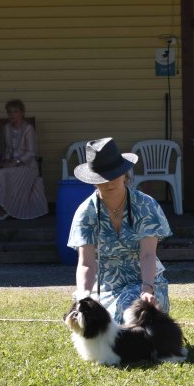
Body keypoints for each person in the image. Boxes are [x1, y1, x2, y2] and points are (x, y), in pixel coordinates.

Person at [68, 137, 173, 324]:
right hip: (105, 289)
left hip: (146, 283)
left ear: (125, 174)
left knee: (129, 310)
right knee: (91, 319)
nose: (108, 182)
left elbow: (148, 255)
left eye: (113, 175)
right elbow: (86, 264)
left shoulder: (146, 205)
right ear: (93, 181)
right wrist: (84, 295)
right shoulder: (85, 213)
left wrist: (147, 289)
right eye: (102, 178)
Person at [0, 99, 47, 221]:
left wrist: (15, 163)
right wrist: (5, 161)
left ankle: (7, 209)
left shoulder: (28, 129)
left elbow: (31, 153)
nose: (12, 115)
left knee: (3, 174)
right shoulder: (7, 128)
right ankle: (0, 206)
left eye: (15, 112)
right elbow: (8, 149)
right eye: (10, 112)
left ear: (22, 113)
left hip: (28, 166)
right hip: (12, 164)